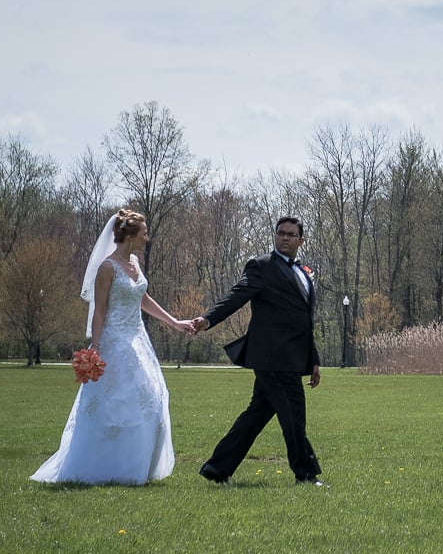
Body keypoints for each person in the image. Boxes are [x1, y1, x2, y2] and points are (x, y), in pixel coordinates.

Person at [32, 208, 197, 484]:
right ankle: (107, 468)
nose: (147, 238)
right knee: (117, 404)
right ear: (130, 236)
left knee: (151, 398)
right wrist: (95, 346)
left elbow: (142, 299)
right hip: (114, 340)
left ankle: (138, 467)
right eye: (144, 233)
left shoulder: (134, 264)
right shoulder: (107, 268)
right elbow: (99, 310)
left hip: (138, 339)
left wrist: (174, 322)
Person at [192, 215, 326, 486]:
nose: (285, 238)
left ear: (301, 240)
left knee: (257, 414)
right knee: (294, 416)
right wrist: (208, 319)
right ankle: (306, 474)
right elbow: (237, 295)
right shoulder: (261, 266)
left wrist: (313, 360)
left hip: (292, 357)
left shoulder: (302, 272)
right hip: (271, 357)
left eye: (291, 234)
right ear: (275, 236)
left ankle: (217, 467)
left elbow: (305, 322)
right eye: (280, 233)